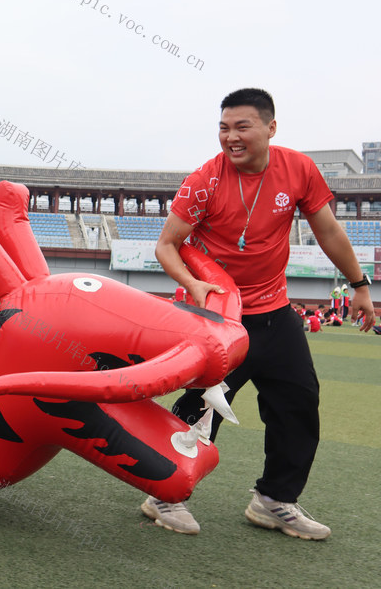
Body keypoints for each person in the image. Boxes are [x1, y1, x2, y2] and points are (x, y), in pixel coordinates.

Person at [145, 88, 375, 540]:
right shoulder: (205, 180)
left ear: (271, 128)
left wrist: (360, 285)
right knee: (198, 408)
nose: (231, 137)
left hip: (274, 312)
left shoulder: (298, 169)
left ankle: (274, 500)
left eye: (242, 127)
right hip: (216, 318)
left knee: (298, 403)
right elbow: (167, 244)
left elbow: (327, 230)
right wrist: (193, 285)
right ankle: (163, 494)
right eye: (224, 127)